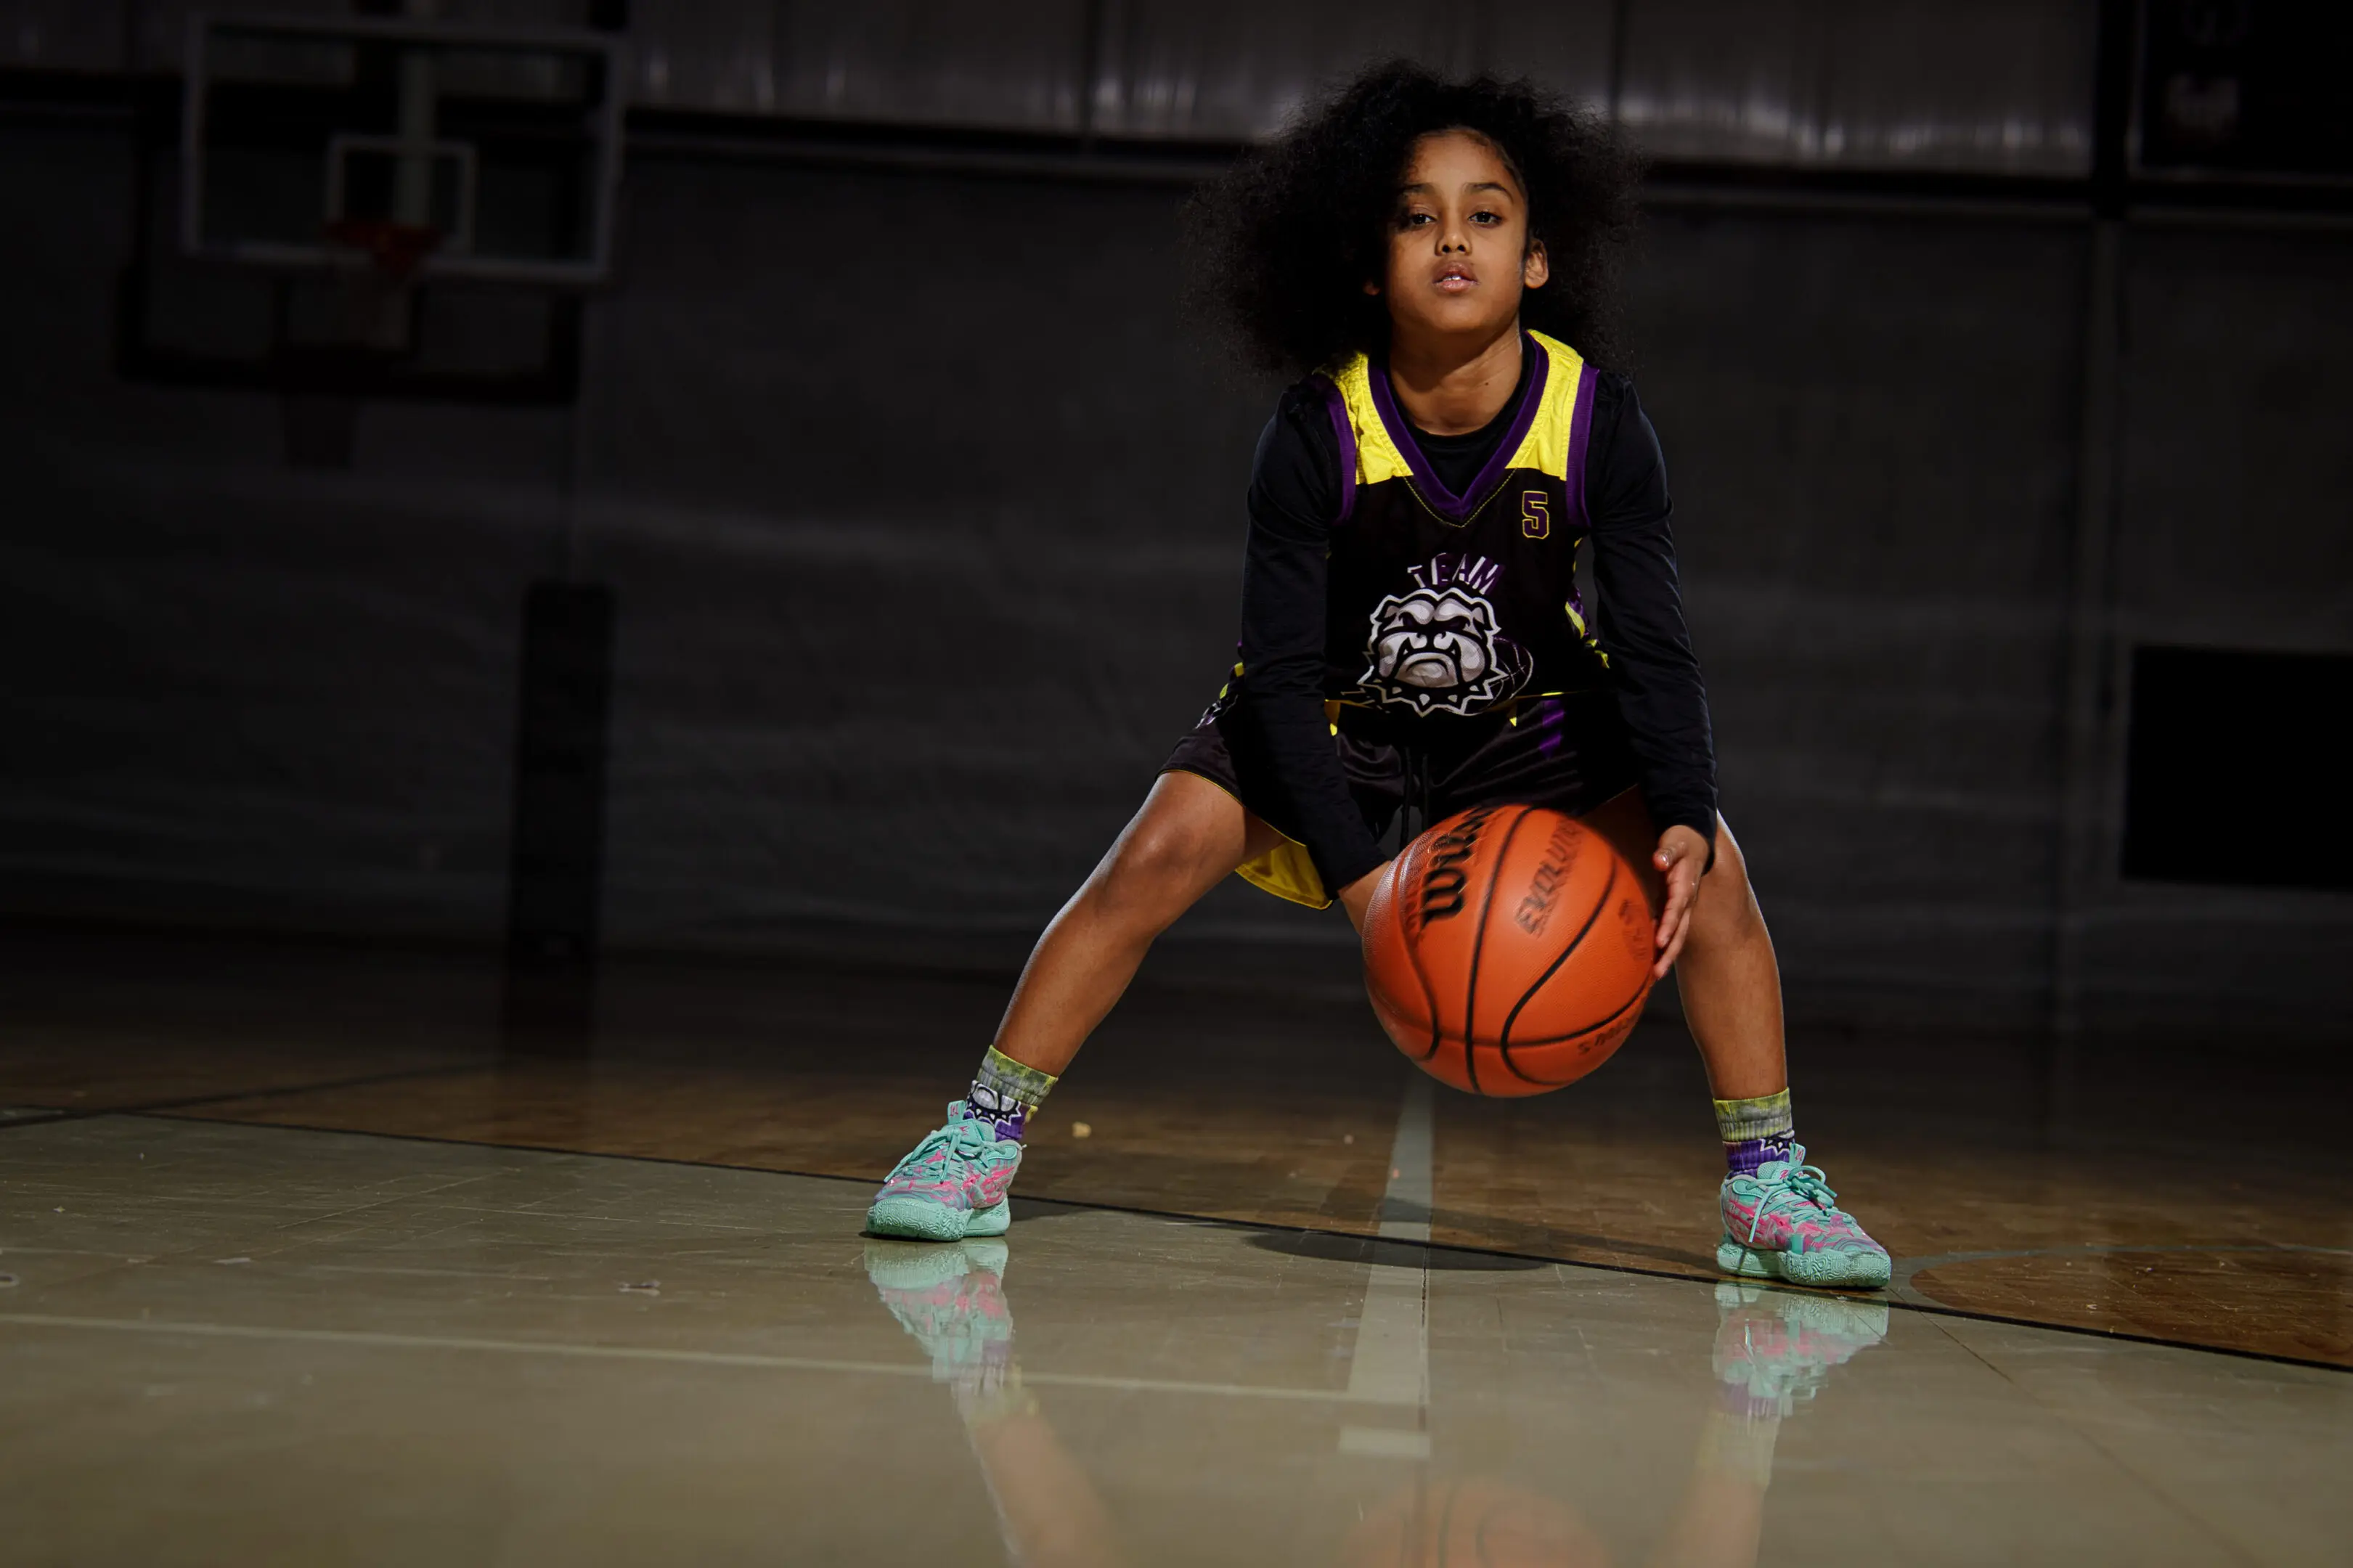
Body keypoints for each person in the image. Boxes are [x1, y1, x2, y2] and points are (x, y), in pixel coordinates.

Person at [865, 62, 1889, 1290]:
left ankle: (1767, 1181)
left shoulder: (1599, 420)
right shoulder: (1316, 428)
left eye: (1487, 213)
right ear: (1366, 265)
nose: (1453, 235)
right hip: (1337, 715)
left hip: (1534, 718)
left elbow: (1658, 645)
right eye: (1416, 214)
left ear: (1539, 259)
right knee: (1150, 856)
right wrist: (1369, 889)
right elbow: (1283, 676)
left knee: (1713, 872)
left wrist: (1678, 809)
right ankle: (980, 1134)